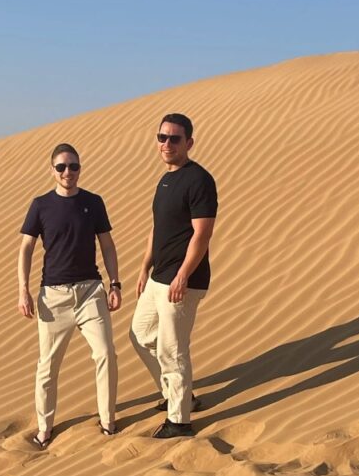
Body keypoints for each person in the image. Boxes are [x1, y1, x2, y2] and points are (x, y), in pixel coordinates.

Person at [18, 143, 121, 448]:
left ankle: (108, 421)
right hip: (54, 296)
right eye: (61, 167)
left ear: (80, 169)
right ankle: (44, 428)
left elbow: (107, 245)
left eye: (73, 166)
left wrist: (115, 284)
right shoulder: (40, 205)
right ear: (52, 170)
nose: (68, 172)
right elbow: (25, 248)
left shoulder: (93, 202)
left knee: (105, 354)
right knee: (48, 365)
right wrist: (22, 290)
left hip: (91, 292)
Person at [130, 113, 217, 438]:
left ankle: (179, 420)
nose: (167, 144)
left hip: (182, 280)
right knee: (140, 336)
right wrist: (144, 267)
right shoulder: (166, 180)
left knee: (172, 349)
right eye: (162, 137)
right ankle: (176, 393)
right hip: (158, 276)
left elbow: (202, 234)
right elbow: (159, 228)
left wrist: (183, 275)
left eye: (174, 138)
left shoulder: (199, 180)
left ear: (189, 143)